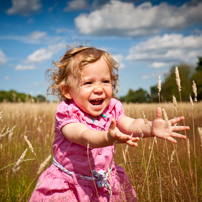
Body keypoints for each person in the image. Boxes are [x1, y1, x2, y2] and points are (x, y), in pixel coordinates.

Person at [29, 45, 189, 202]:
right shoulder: (67, 112)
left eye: (105, 81)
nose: (99, 89)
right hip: (71, 184)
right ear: (66, 91)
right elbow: (82, 135)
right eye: (88, 83)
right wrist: (107, 137)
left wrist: (150, 127)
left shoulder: (112, 108)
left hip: (104, 183)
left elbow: (130, 124)